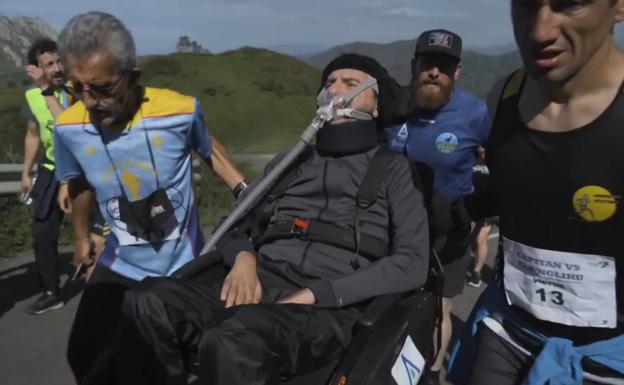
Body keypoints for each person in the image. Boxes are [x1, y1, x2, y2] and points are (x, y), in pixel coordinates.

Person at [108, 53, 431, 385]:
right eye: (330, 83)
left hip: (329, 307)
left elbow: (413, 261)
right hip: (260, 282)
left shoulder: (393, 169)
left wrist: (319, 294)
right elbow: (232, 223)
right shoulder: (290, 163)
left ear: (377, 107)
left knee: (233, 338)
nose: (335, 90)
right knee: (145, 302)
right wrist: (244, 259)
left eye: (350, 84)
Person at [52, 12, 246, 383]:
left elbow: (211, 151)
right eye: (78, 88)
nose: (89, 102)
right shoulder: (68, 128)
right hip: (119, 262)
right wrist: (80, 238)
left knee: (162, 364)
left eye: (103, 88)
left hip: (181, 264)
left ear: (133, 77)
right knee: (83, 353)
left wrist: (247, 194)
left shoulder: (179, 111)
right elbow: (77, 182)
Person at [447, 1, 624, 384]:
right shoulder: (504, 95)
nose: (540, 30)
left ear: (618, 8)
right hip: (509, 330)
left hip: (608, 356)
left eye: (570, 4)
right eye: (526, 5)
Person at [386, 29, 491, 385]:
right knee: (390, 305)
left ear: (457, 72)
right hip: (392, 232)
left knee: (440, 308)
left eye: (444, 66)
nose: (434, 72)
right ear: (415, 65)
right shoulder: (393, 107)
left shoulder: (476, 113)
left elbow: (496, 161)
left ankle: (430, 372)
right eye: (428, 63)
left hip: (448, 236)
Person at [21, 38, 72, 315]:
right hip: (51, 169)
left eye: (58, 61)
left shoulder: (79, 90)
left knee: (102, 229)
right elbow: (32, 134)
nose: (56, 68)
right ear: (37, 69)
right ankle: (52, 291)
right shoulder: (32, 96)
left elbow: (68, 126)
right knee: (42, 233)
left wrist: (46, 89)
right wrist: (27, 171)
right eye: (48, 64)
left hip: (84, 172)